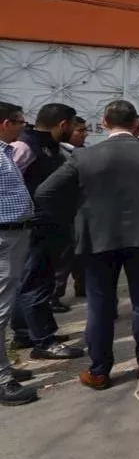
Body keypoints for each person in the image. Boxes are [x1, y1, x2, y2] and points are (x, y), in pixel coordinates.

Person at [35, 100, 139, 391]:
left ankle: (99, 371)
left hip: (98, 239)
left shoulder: (84, 157)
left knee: (100, 307)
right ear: (137, 124)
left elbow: (45, 192)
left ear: (105, 122)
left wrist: (77, 217)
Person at [9, 103, 84, 361]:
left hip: (49, 226)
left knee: (31, 281)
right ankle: (44, 341)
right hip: (36, 227)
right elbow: (6, 180)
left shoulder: (51, 147)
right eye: (73, 125)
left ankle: (25, 332)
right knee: (37, 284)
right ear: (63, 124)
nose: (75, 129)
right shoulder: (26, 146)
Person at [0, 102, 40, 405]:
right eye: (19, 122)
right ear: (4, 123)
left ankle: (5, 367)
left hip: (15, 234)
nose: (23, 128)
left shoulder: (7, 153)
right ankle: (2, 380)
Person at [52, 116, 89, 308]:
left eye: (85, 130)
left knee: (82, 251)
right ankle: (55, 293)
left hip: (82, 207)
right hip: (65, 210)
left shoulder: (82, 151)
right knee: (64, 253)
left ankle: (82, 286)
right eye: (80, 130)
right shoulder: (59, 152)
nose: (84, 134)